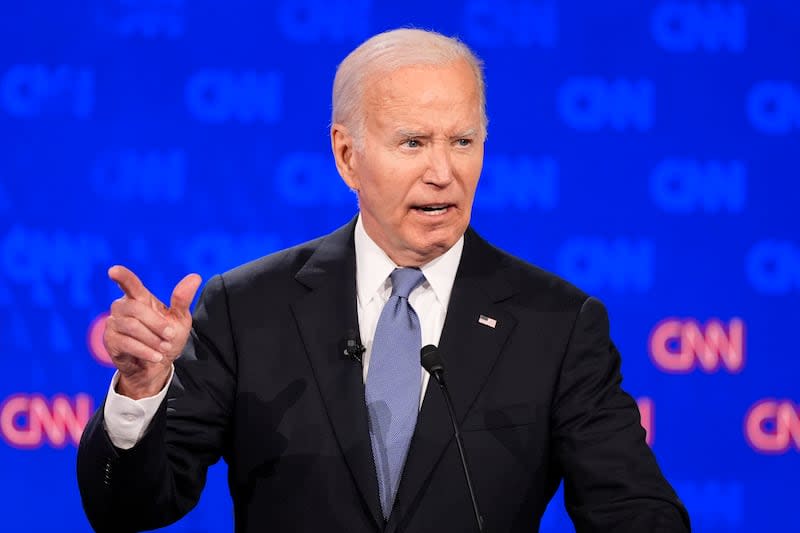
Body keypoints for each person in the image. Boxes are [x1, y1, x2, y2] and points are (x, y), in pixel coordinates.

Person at [77, 28, 690, 533]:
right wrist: (141, 390)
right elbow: (128, 508)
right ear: (347, 156)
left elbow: (633, 510)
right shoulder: (246, 307)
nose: (443, 172)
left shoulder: (555, 323)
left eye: (463, 141)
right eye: (413, 142)